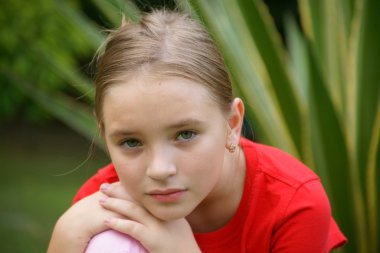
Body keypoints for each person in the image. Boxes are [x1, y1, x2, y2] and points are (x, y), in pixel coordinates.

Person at [47, 9, 347, 253]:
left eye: (185, 134)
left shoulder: (293, 205)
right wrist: (62, 241)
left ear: (232, 124)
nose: (160, 170)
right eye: (131, 141)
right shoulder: (101, 208)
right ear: (105, 136)